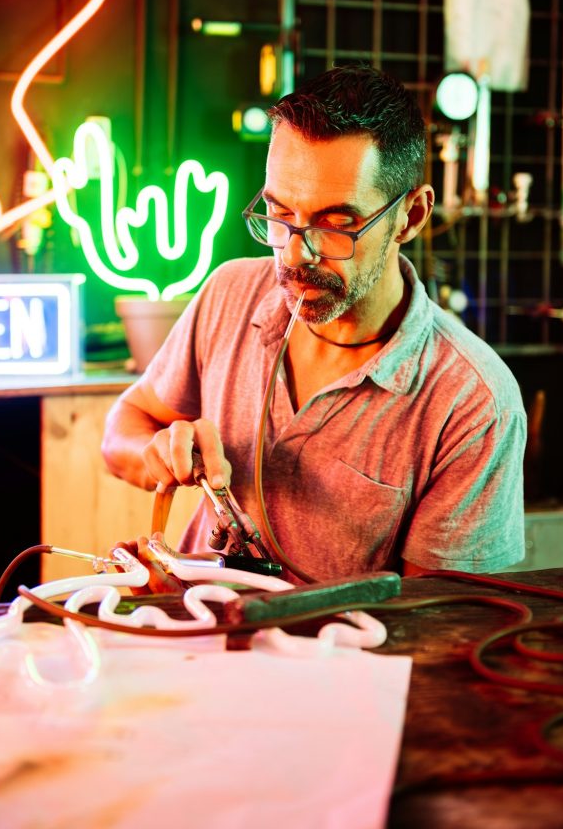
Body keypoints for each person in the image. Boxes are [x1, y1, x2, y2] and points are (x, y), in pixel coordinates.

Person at [102, 62, 526, 580]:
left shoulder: (472, 401)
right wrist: (157, 455)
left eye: (335, 224)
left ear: (411, 216)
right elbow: (123, 428)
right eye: (280, 215)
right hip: (192, 637)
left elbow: (433, 626)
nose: (296, 255)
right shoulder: (231, 292)